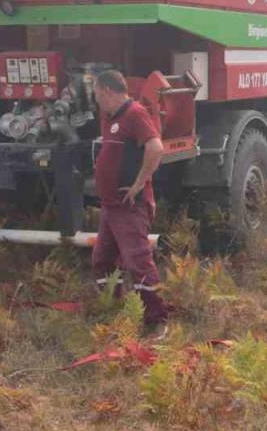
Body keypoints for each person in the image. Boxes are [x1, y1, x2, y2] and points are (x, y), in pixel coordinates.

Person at [91, 70, 168, 334]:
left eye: (96, 92)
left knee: (138, 262)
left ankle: (157, 320)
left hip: (128, 206)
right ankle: (113, 311)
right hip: (110, 206)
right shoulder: (109, 117)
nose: (95, 98)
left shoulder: (135, 113)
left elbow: (156, 148)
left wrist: (139, 183)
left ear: (106, 90)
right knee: (102, 259)